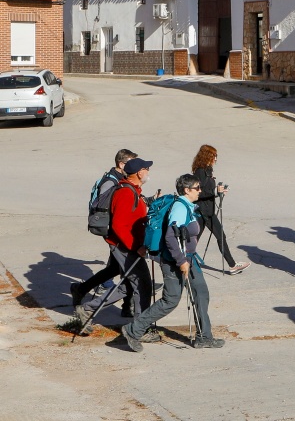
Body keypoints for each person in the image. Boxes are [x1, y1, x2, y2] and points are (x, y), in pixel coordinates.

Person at [122, 174, 224, 350]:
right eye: (197, 188)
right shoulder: (179, 208)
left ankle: (204, 337)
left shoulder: (187, 205)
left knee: (201, 292)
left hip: (190, 258)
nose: (200, 191)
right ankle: (133, 330)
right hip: (175, 261)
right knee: (170, 300)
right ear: (187, 190)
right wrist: (181, 261)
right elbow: (170, 237)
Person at [75, 157, 155, 336]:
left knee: (129, 285)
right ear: (139, 173)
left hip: (128, 246)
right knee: (142, 285)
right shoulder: (126, 192)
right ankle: (140, 329)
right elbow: (119, 226)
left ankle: (87, 309)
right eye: (146, 169)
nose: (148, 172)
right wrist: (135, 247)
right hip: (125, 247)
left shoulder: (133, 190)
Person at [71, 149, 136, 310]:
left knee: (115, 268)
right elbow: (104, 206)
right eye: (131, 163)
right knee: (127, 266)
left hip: (120, 229)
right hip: (115, 230)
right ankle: (127, 305)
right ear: (121, 164)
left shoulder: (122, 179)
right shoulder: (110, 181)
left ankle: (81, 289)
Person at [191, 145, 249, 275]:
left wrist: (219, 191)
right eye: (214, 156)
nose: (216, 159)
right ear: (206, 156)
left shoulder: (208, 170)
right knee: (194, 239)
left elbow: (208, 189)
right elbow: (198, 193)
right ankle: (182, 263)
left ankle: (232, 265)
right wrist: (214, 191)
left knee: (219, 236)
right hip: (202, 212)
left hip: (209, 211)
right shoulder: (200, 172)